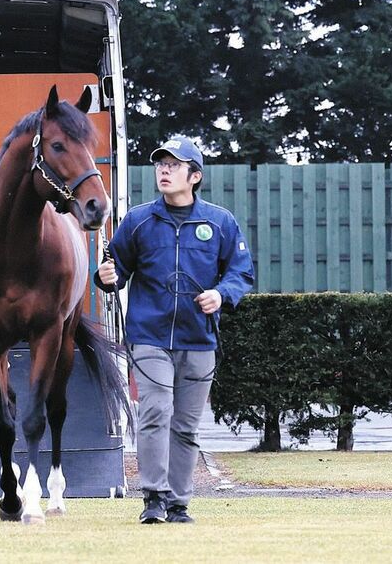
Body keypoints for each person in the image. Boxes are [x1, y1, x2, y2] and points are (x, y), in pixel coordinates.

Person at [95, 136, 254, 524]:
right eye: (160, 164)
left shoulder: (220, 222)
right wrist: (105, 276)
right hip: (148, 337)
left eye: (173, 165)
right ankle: (153, 498)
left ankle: (180, 503)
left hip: (199, 339)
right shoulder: (138, 220)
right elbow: (114, 270)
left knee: (185, 425)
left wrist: (221, 293)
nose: (164, 171)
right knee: (155, 411)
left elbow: (242, 273)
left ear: (194, 176)